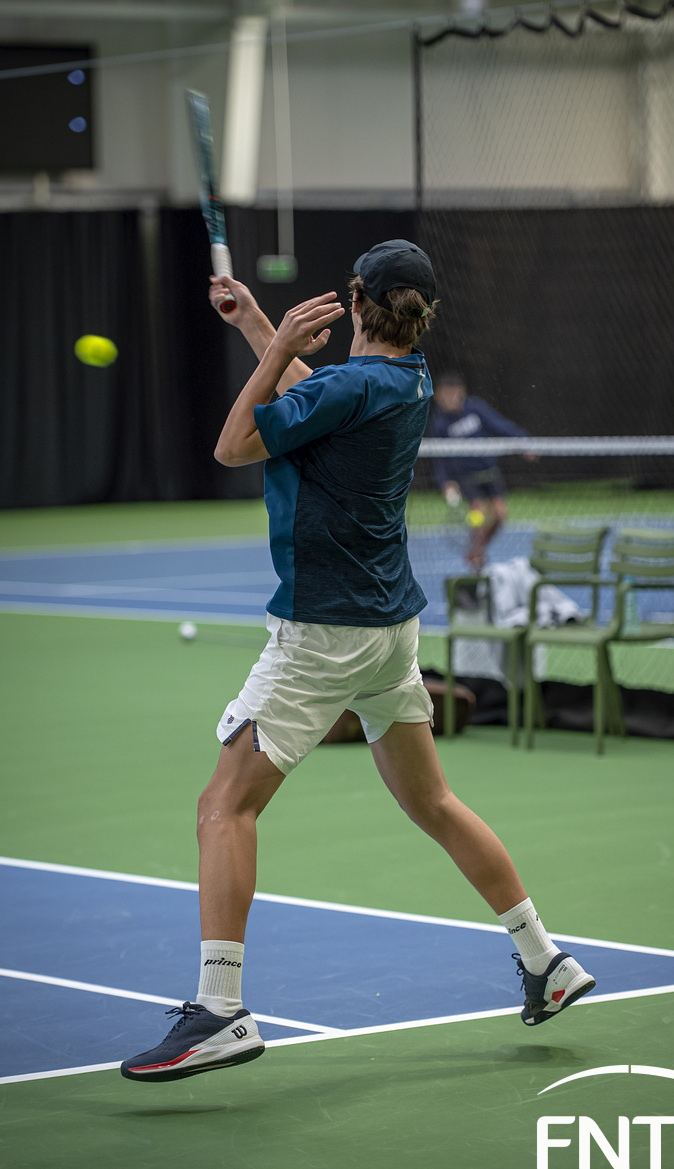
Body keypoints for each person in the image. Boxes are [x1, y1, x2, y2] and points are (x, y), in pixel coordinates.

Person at [120, 240, 595, 1083]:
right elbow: (323, 397)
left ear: (352, 302)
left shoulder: (349, 385)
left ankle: (220, 1010)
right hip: (389, 631)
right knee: (434, 802)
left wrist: (274, 346)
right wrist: (256, 325)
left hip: (323, 633)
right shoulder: (409, 379)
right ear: (420, 313)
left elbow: (234, 444)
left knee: (223, 807)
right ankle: (545, 959)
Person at [430, 373, 533, 568]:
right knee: (478, 515)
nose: (450, 399)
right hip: (466, 476)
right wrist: (446, 481)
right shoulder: (440, 423)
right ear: (438, 396)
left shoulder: (475, 408)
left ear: (462, 393)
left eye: (454, 394)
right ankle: (477, 556)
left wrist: (522, 441)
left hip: (489, 471)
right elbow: (439, 457)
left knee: (500, 515)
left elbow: (499, 424)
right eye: (446, 395)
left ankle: (477, 550)